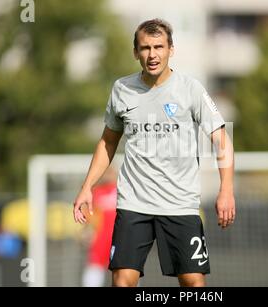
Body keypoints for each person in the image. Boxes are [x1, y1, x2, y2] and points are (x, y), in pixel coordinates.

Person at [73, 18, 235, 287]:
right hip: (133, 203)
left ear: (171, 49)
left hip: (180, 203)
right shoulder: (122, 89)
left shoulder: (190, 89)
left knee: (194, 282)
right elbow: (107, 142)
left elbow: (222, 140)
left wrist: (226, 190)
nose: (152, 55)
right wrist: (87, 186)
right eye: (145, 48)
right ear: (136, 52)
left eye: (158, 47)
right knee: (122, 280)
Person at [82, 168, 118, 287]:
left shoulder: (122, 190)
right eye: (105, 172)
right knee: (94, 272)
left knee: (126, 273)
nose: (107, 175)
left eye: (110, 172)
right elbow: (87, 220)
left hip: (120, 240)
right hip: (100, 242)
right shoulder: (95, 193)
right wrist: (86, 232)